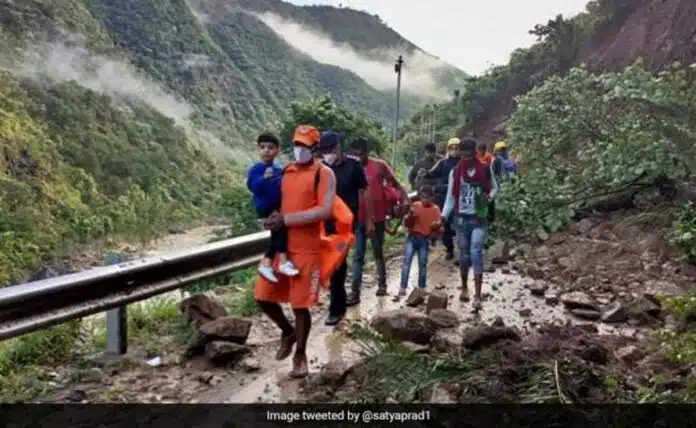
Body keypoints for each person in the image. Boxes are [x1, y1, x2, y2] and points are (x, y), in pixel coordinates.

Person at [254, 124, 336, 378]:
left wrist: (286, 220)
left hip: (308, 249)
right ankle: (287, 332)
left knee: (300, 306)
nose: (299, 149)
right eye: (296, 144)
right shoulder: (286, 172)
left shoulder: (324, 174)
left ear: (315, 147)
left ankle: (300, 355)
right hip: (283, 248)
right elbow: (277, 203)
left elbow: (325, 210)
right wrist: (271, 219)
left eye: (304, 145)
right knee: (262, 296)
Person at [317, 131, 372, 326]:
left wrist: (369, 220)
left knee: (338, 264)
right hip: (324, 223)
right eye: (324, 151)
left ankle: (335, 310)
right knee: (332, 265)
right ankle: (338, 304)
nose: (328, 154)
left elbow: (364, 194)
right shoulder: (320, 168)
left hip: (347, 225)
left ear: (338, 147)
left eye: (330, 149)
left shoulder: (353, 166)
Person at [348, 137, 409, 305]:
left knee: (377, 251)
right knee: (358, 255)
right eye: (355, 155)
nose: (358, 158)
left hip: (378, 218)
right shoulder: (350, 168)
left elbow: (395, 183)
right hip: (358, 218)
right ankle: (355, 292)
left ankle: (382, 284)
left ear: (367, 153)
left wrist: (404, 199)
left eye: (361, 155)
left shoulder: (379, 166)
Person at [441, 137, 498, 311]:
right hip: (461, 219)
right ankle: (465, 287)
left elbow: (495, 187)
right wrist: (443, 216)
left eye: (468, 155)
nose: (465, 158)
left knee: (476, 252)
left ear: (474, 153)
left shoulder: (485, 169)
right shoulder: (456, 172)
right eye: (462, 155)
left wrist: (490, 197)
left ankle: (478, 296)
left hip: (479, 217)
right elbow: (451, 198)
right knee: (464, 255)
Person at [246, 132, 299, 283]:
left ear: (277, 150)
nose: (266, 150)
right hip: (265, 206)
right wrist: (264, 178)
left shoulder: (278, 168)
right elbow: (253, 187)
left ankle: (269, 264)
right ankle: (281, 263)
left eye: (270, 147)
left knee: (278, 234)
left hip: (277, 206)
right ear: (258, 149)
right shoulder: (256, 169)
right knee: (279, 231)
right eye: (262, 147)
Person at [395, 184, 442, 299]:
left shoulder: (435, 210)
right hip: (412, 237)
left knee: (423, 263)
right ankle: (403, 287)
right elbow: (407, 223)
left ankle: (421, 287)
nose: (424, 199)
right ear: (420, 197)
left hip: (424, 239)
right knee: (407, 262)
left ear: (432, 197)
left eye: (427, 197)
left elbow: (439, 228)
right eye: (423, 197)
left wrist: (437, 227)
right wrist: (409, 216)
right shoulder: (415, 206)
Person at [424, 137, 461, 260]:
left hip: (458, 197)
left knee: (458, 224)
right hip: (443, 197)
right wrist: (425, 173)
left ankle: (463, 251)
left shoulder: (463, 163)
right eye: (452, 148)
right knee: (444, 223)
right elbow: (431, 172)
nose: (454, 150)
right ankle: (449, 248)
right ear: (448, 149)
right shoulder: (443, 163)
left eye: (457, 148)